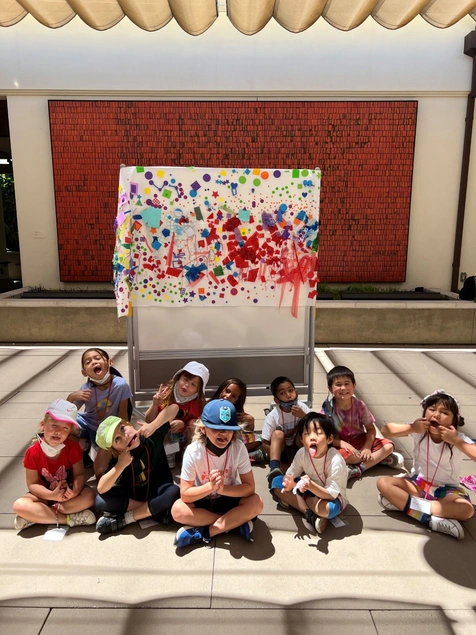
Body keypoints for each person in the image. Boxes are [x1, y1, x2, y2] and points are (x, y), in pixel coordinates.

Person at [377, 390, 476, 539]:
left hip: (447, 491)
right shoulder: (419, 431)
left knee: (467, 509)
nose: (436, 415)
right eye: (431, 409)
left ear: (454, 420)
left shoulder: (458, 438)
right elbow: (386, 430)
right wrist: (412, 428)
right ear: (424, 413)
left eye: (444, 413)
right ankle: (433, 520)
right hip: (417, 484)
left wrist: (456, 441)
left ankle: (406, 505)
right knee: (383, 483)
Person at [171, 399, 263, 548]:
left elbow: (249, 487)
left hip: (229, 495)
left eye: (229, 429)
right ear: (203, 429)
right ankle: (234, 523)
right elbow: (185, 494)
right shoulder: (193, 451)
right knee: (177, 510)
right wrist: (211, 487)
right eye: (216, 428)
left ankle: (207, 531)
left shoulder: (238, 447)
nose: (223, 433)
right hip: (203, 498)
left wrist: (222, 489)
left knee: (256, 503)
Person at [94, 402, 181, 534]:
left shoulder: (151, 436)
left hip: (158, 490)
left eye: (123, 429)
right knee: (100, 502)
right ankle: (153, 511)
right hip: (133, 498)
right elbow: (101, 488)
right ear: (116, 450)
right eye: (117, 439)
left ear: (129, 424)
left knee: (173, 492)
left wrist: (153, 424)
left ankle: (126, 519)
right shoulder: (120, 459)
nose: (125, 436)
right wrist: (120, 466)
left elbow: (174, 408)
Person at [13, 399, 96, 531]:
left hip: (67, 495)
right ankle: (68, 519)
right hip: (44, 495)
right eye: (54, 425)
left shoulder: (73, 448)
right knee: (19, 505)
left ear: (69, 432)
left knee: (89, 497)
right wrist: (51, 495)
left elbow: (79, 474)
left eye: (65, 428)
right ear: (43, 425)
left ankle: (37, 516)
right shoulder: (33, 452)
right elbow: (33, 484)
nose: (58, 431)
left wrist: (74, 491)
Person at [271, 412, 347, 534]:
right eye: (307, 433)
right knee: (276, 482)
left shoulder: (335, 460)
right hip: (308, 488)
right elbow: (290, 475)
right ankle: (310, 514)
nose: (312, 437)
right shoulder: (302, 453)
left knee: (327, 509)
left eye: (318, 433)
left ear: (330, 439)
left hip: (331, 497)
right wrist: (288, 484)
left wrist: (309, 486)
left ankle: (301, 502)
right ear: (301, 439)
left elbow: (331, 494)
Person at [322, 365, 401, 480]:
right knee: (341, 456)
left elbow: (370, 429)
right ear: (330, 389)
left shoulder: (359, 406)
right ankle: (377, 459)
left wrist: (367, 448)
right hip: (339, 445)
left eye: (347, 383)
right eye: (338, 385)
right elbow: (324, 437)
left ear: (354, 386)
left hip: (359, 440)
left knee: (389, 445)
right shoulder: (328, 408)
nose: (343, 388)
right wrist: (340, 443)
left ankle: (358, 468)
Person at [67, 347, 132, 479]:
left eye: (97, 358)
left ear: (110, 362)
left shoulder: (121, 385)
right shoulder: (86, 389)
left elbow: (123, 414)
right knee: (66, 428)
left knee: (100, 473)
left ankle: (88, 448)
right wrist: (72, 397)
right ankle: (81, 454)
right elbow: (67, 413)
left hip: (106, 430)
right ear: (84, 372)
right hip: (87, 423)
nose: (94, 362)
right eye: (88, 361)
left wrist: (124, 435)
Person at [144, 361, 209, 468]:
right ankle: (169, 453)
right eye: (185, 379)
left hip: (183, 437)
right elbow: (148, 420)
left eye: (193, 384)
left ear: (198, 390)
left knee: (195, 424)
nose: (187, 385)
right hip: (165, 438)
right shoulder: (165, 394)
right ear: (178, 378)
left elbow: (199, 424)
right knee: (162, 423)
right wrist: (155, 404)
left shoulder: (197, 403)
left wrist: (182, 424)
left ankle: (188, 451)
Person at [263, 376, 311, 487]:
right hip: (282, 451)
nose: (288, 395)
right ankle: (274, 467)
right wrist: (279, 461)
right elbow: (265, 442)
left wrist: (303, 416)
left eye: (290, 391)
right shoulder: (273, 415)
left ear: (296, 392)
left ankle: (309, 462)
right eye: (282, 393)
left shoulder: (302, 407)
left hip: (300, 449)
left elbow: (316, 426)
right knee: (277, 434)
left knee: (305, 429)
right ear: (276, 400)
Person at [210, 378, 265, 463]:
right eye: (227, 391)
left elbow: (247, 432)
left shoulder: (234, 410)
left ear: (237, 401)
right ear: (221, 389)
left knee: (258, 439)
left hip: (232, 441)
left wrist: (249, 420)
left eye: (234, 396)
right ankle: (242, 456)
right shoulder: (210, 406)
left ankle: (236, 455)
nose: (228, 396)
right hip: (214, 439)